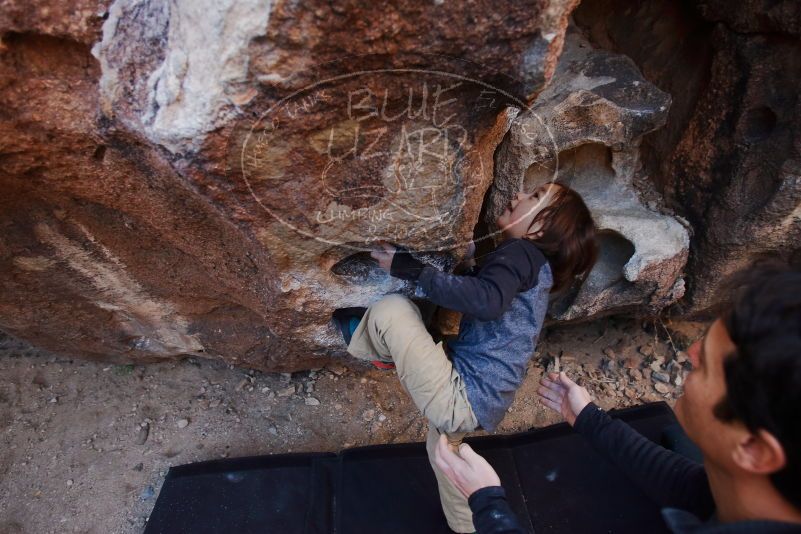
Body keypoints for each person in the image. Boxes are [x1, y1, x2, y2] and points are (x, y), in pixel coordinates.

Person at [432, 259, 801, 533]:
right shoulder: (751, 496)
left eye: (705, 365)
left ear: (754, 449)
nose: (689, 353)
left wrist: (490, 506)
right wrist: (589, 418)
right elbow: (692, 490)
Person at [334, 182, 597, 533]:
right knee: (445, 455)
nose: (517, 194)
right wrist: (473, 263)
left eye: (532, 198)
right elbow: (493, 295)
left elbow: (487, 302)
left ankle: (378, 350)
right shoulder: (537, 271)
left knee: (392, 310)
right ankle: (469, 527)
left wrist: (411, 268)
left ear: (540, 229)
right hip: (480, 404)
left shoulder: (520, 253)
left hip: (462, 396)